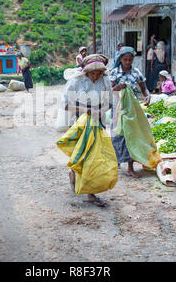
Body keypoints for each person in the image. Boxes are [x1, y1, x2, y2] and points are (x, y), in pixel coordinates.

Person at [62, 54, 114, 207]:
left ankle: (90, 193)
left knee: (93, 155)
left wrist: (100, 111)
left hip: (97, 122)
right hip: (79, 122)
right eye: (92, 73)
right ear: (85, 72)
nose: (96, 76)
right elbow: (66, 105)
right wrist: (85, 109)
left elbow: (110, 102)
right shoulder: (76, 82)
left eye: (99, 73)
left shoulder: (105, 80)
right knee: (80, 153)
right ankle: (74, 175)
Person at [109, 46, 150, 178]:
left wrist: (148, 96)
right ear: (120, 59)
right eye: (125, 59)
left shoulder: (136, 72)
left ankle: (130, 167)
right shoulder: (114, 72)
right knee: (118, 135)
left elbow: (144, 88)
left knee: (131, 135)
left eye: (130, 60)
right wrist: (118, 87)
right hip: (118, 108)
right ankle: (116, 162)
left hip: (132, 108)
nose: (127, 62)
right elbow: (109, 90)